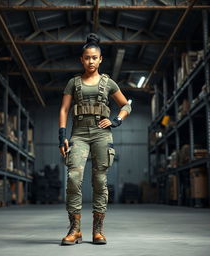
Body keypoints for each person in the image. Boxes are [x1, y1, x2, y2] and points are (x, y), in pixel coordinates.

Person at [58, 33, 132, 245]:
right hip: (78, 134)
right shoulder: (73, 83)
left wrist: (116, 120)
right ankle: (75, 229)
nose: (90, 61)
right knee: (73, 178)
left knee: (100, 181)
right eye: (87, 58)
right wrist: (62, 135)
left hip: (101, 134)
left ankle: (97, 231)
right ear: (81, 60)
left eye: (94, 58)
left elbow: (126, 105)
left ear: (100, 60)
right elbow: (63, 110)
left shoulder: (108, 83)